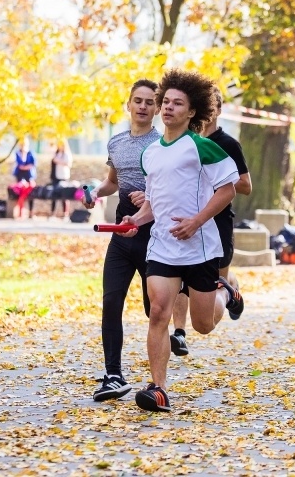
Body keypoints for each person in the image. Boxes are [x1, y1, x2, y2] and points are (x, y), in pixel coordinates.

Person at [120, 69, 243, 412]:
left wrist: (196, 221)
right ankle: (158, 388)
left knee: (203, 325)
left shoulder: (203, 147)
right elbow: (153, 203)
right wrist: (136, 219)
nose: (168, 107)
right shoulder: (150, 153)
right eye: (166, 102)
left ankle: (226, 292)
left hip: (199, 247)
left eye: (177, 103)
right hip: (162, 246)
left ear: (191, 112)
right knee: (158, 312)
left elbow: (228, 190)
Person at [83, 79, 161, 402]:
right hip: (121, 230)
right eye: (137, 100)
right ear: (128, 105)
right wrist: (95, 193)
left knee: (154, 309)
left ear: (157, 109)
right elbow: (113, 182)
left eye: (149, 102)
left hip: (153, 233)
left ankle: (158, 380)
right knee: (111, 301)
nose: (142, 106)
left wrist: (151, 195)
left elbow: (172, 185)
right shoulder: (115, 142)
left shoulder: (162, 144)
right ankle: (113, 374)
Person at [170, 86, 251, 356]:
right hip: (185, 220)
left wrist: (214, 179)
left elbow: (245, 185)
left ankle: (230, 288)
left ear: (218, 110)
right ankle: (179, 333)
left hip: (218, 223)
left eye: (212, 105)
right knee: (179, 277)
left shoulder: (227, 144)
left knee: (215, 284)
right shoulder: (185, 141)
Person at [13, 139, 37, 218]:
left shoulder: (30, 153)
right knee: (21, 193)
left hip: (29, 175)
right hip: (20, 175)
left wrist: (26, 167)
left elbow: (33, 163)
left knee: (31, 192)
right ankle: (20, 212)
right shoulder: (18, 153)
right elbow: (19, 164)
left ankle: (31, 212)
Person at [49, 140, 73, 219]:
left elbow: (68, 163)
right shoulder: (56, 153)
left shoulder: (66, 154)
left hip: (64, 177)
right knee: (54, 195)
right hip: (56, 177)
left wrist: (58, 161)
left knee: (64, 195)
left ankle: (65, 214)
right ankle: (52, 213)